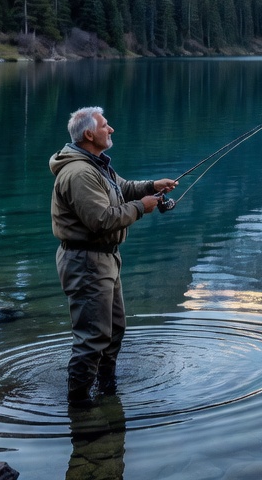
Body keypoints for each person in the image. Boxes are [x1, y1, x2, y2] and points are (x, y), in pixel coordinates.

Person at [50, 107, 176, 406]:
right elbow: (102, 220)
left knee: (114, 330)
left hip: (103, 259)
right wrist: (141, 207)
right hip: (86, 261)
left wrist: (151, 187)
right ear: (89, 134)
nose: (112, 129)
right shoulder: (79, 173)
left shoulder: (95, 165)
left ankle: (106, 390)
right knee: (92, 338)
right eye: (106, 126)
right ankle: (78, 407)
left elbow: (122, 189)